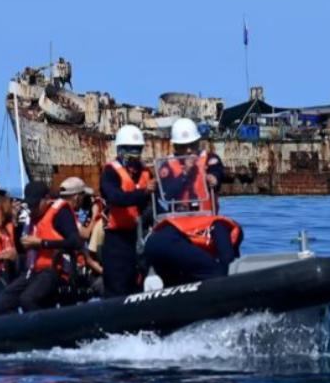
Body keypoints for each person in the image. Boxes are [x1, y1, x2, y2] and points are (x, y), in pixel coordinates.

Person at [145, 118, 242, 287]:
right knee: (160, 242)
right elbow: (169, 191)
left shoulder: (210, 159)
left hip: (206, 219)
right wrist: (185, 173)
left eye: (192, 145)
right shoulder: (167, 166)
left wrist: (214, 178)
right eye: (183, 147)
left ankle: (232, 278)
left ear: (198, 143)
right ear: (175, 147)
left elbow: (217, 172)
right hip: (179, 222)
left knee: (224, 231)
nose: (188, 150)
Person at [0, 181, 85, 314]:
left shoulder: (60, 213)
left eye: (35, 205)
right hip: (33, 272)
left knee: (27, 299)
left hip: (55, 271)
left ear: (46, 199)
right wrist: (16, 224)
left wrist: (42, 243)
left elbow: (76, 242)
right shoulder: (30, 218)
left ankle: (43, 331)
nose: (32, 208)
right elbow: (21, 249)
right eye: (30, 205)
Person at [99, 124, 155, 297]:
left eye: (138, 150)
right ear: (121, 150)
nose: (134, 155)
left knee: (143, 278)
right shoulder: (110, 172)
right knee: (118, 283)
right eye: (131, 150)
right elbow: (116, 197)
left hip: (142, 235)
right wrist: (143, 192)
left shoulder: (146, 173)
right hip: (118, 238)